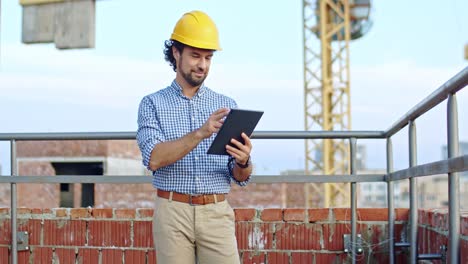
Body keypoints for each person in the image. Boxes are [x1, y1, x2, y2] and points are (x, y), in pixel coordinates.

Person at [136, 10, 253, 264]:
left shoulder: (226, 104)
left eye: (208, 58)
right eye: (195, 56)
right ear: (176, 53)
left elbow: (240, 177)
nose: (202, 65)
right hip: (172, 212)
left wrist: (244, 161)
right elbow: (154, 158)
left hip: (217, 212)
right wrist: (201, 132)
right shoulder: (152, 104)